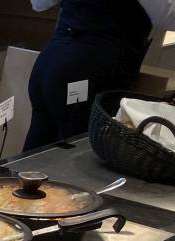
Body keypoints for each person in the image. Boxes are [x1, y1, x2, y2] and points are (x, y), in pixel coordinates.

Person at [24, 0, 154, 150]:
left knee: (34, 150)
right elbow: (166, 16)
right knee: (73, 153)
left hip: (50, 62)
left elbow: (39, 4)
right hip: (85, 70)